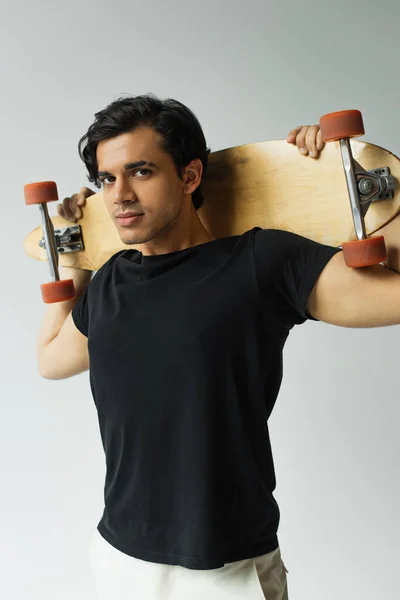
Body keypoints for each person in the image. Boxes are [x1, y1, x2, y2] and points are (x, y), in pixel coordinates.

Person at [37, 95, 400, 600]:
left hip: (227, 569)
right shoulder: (109, 283)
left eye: (140, 171)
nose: (118, 195)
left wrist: (352, 189)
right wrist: (77, 256)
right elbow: (51, 361)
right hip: (120, 557)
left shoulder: (260, 263)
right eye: (106, 178)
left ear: (189, 177)